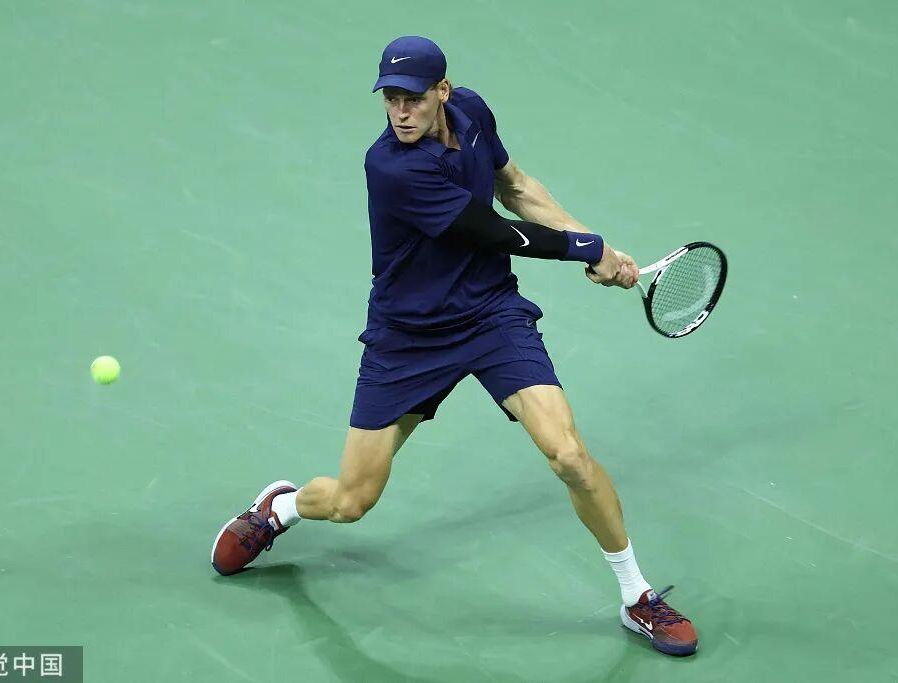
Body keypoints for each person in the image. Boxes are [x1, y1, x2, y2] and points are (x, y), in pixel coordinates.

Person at [211, 35, 698, 657]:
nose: (401, 112)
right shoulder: (392, 167)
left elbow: (515, 187)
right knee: (352, 500)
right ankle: (281, 509)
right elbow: (494, 232)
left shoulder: (471, 112)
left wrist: (593, 242)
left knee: (570, 456)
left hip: (492, 318)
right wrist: (586, 250)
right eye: (390, 99)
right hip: (407, 339)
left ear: (442, 91)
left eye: (413, 98)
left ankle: (636, 596)